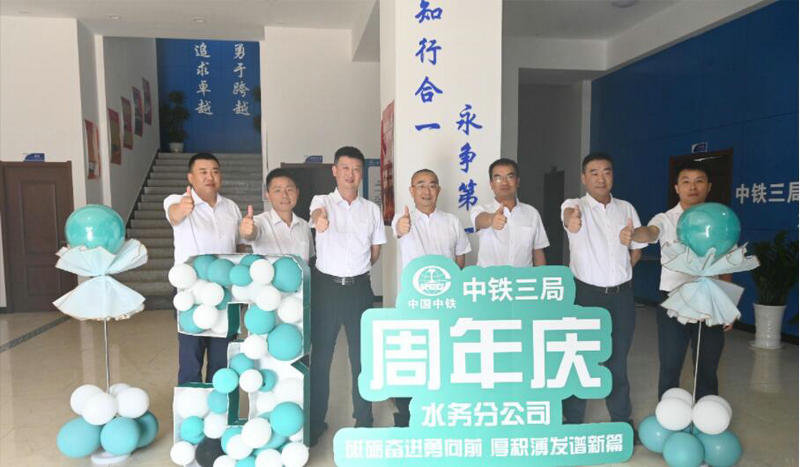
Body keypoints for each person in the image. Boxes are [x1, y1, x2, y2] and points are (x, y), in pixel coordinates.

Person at [620, 161, 731, 400]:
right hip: (673, 301)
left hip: (710, 300)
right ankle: (669, 410)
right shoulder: (666, 219)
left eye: (699, 181)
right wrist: (636, 233)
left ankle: (707, 411)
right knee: (671, 363)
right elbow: (651, 232)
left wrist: (727, 306)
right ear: (677, 188)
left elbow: (728, 262)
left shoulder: (719, 220)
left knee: (708, 364)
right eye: (686, 182)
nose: (693, 187)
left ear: (709, 186)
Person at [560, 152, 645, 432]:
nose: (600, 178)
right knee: (580, 357)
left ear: (612, 176)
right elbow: (568, 217)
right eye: (593, 173)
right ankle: (572, 420)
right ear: (584, 178)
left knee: (618, 359)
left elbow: (637, 249)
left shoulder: (626, 208)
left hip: (621, 296)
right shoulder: (575, 205)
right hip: (585, 295)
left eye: (606, 172)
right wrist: (572, 221)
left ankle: (622, 421)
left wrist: (623, 267)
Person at [308, 146, 386, 444]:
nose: (350, 175)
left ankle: (364, 420)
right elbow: (316, 215)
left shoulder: (371, 210)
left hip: (359, 290)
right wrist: (320, 220)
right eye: (345, 168)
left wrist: (356, 268)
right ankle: (316, 422)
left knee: (362, 358)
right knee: (322, 358)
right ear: (335, 171)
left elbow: (375, 252)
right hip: (326, 290)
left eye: (356, 169)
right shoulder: (323, 201)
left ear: (361, 173)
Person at [389, 168, 471, 427]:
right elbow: (398, 229)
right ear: (411, 191)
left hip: (446, 305)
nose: (426, 190)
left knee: (444, 359)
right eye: (420, 185)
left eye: (432, 185)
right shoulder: (403, 219)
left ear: (439, 190)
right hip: (413, 305)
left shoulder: (452, 222)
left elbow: (460, 259)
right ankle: (406, 415)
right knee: (411, 359)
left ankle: (442, 411)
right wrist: (401, 227)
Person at [163, 152, 242, 384]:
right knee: (191, 357)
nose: (210, 177)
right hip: (192, 292)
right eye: (203, 172)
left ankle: (218, 404)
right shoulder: (177, 200)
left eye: (215, 171)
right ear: (191, 177)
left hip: (225, 292)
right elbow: (174, 215)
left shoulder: (231, 207)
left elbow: (238, 245)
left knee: (222, 357)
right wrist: (183, 208)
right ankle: (192, 405)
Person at [471, 158, 549, 266]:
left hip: (523, 277)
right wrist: (492, 219)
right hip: (490, 277)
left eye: (510, 177)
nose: (504, 182)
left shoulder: (532, 213)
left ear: (517, 182)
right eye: (498, 178)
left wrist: (542, 275)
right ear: (491, 184)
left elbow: (538, 252)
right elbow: (479, 220)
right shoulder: (481, 210)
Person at [239, 168, 314, 263]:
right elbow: (251, 234)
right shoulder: (260, 221)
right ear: (268, 195)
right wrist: (248, 232)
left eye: (289, 189)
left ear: (297, 192)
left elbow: (309, 259)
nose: (284, 195)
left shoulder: (304, 225)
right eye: (278, 190)